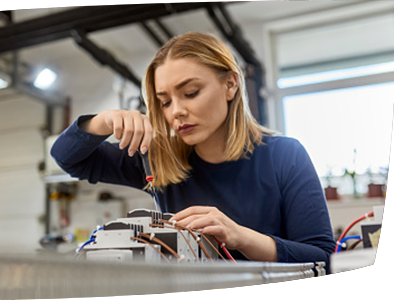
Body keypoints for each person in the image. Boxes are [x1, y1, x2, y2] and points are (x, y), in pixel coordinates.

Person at [51, 32, 334, 271]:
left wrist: (239, 236)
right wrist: (103, 121)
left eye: (191, 93)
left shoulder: (285, 156)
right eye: (164, 102)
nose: (177, 112)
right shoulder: (158, 158)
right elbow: (67, 158)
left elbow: (323, 259)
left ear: (230, 85)